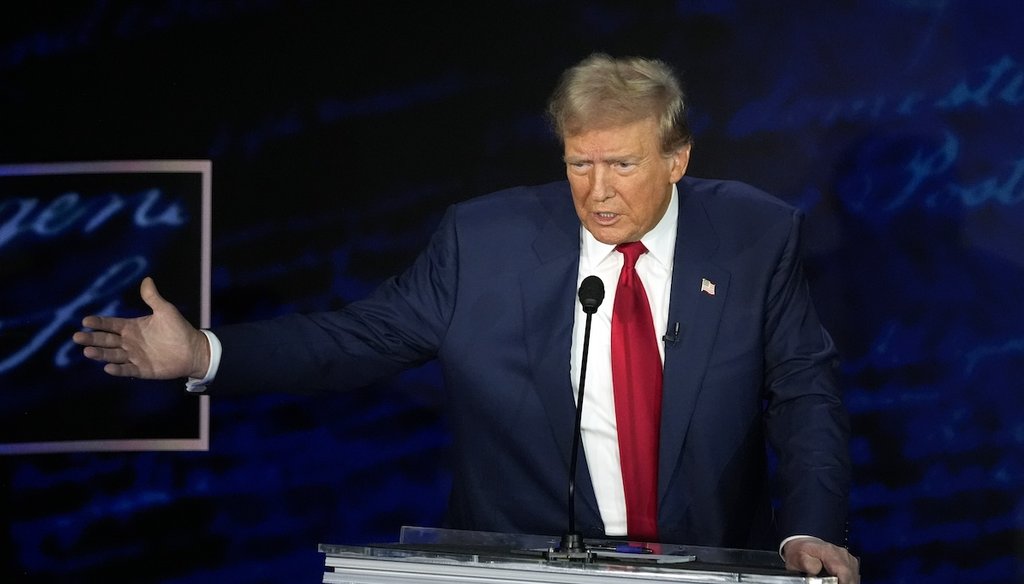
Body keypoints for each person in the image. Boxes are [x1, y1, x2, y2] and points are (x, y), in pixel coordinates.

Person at [74, 53, 858, 581]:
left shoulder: (754, 236)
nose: (598, 191)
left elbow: (803, 392)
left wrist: (810, 527)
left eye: (622, 164)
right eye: (578, 164)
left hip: (707, 566)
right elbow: (360, 339)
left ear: (677, 160)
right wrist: (206, 352)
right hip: (524, 571)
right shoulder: (482, 243)